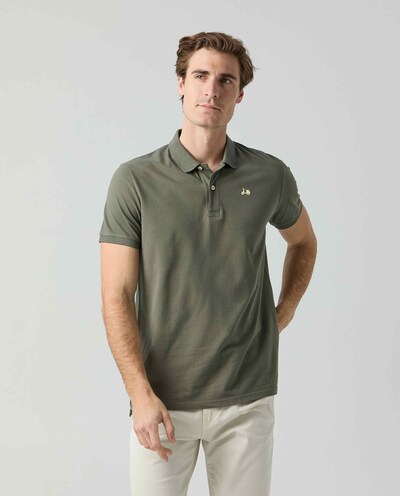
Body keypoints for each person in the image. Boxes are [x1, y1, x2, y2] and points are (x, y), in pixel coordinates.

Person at [99, 31, 317, 496]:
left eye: (225, 80)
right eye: (200, 76)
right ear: (181, 83)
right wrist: (139, 393)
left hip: (246, 397)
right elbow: (116, 295)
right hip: (161, 398)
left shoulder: (269, 175)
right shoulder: (134, 180)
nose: (211, 90)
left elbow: (303, 242)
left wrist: (283, 311)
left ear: (240, 94)